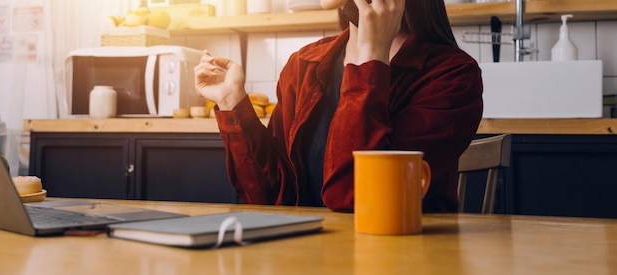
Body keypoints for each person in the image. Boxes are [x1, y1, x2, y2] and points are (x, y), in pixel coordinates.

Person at [194, 0, 483, 212]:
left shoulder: (452, 76)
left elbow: (357, 199)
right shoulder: (303, 65)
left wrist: (371, 59)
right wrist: (232, 101)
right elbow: (270, 199)